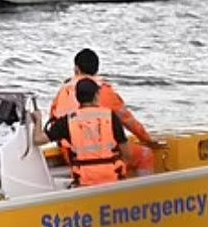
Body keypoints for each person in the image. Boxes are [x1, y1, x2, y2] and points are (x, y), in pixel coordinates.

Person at [49, 48, 161, 176]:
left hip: (69, 154)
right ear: (96, 70)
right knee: (144, 155)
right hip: (100, 156)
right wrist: (148, 140)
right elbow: (128, 121)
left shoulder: (62, 91)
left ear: (76, 69)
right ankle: (141, 193)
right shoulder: (104, 91)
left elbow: (53, 122)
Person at [31, 78, 131, 186]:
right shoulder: (110, 116)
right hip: (112, 177)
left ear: (77, 98)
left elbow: (38, 139)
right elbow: (127, 154)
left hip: (84, 180)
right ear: (96, 95)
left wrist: (38, 120)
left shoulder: (68, 121)